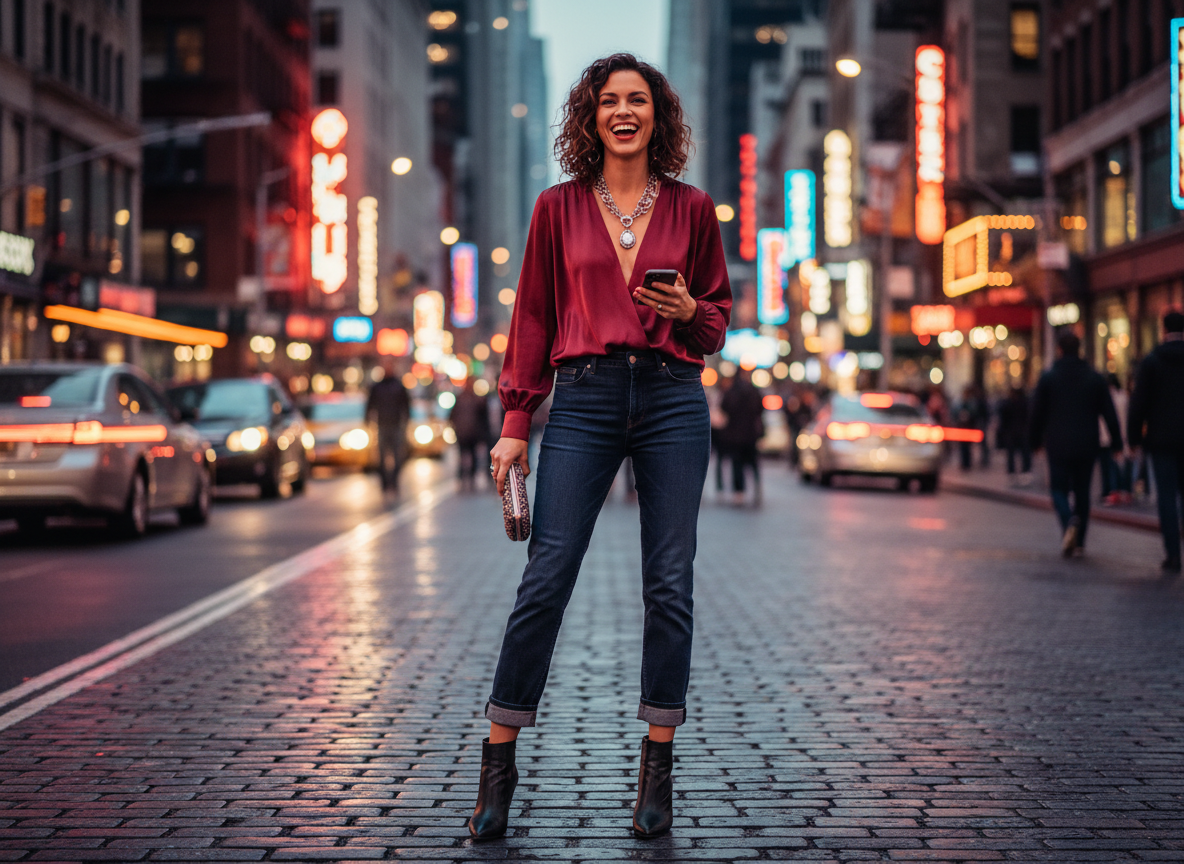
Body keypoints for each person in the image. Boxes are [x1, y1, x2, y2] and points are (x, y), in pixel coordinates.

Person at [471, 54, 731, 841]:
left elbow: (716, 325)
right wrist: (516, 422)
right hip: (580, 400)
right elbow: (534, 321)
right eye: (609, 101)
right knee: (546, 577)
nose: (624, 111)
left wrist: (688, 307)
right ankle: (497, 765)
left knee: (669, 583)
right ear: (590, 117)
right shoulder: (556, 208)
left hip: (672, 397)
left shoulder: (693, 209)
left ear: (659, 116)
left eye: (638, 100)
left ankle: (657, 768)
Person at [1029, 331, 1122, 557]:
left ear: (1060, 349)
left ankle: (1068, 520)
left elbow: (1036, 413)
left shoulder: (1049, 377)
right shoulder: (1094, 377)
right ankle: (1079, 541)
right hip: (1087, 443)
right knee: (1082, 491)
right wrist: (1117, 443)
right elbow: (1109, 413)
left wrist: (1034, 441)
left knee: (1059, 488)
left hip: (1058, 443)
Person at [1128, 310, 1184, 574]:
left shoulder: (1152, 362)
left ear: (1163, 330)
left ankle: (1173, 555)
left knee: (1166, 496)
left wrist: (1134, 438)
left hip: (1161, 440)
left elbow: (1138, 403)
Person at [720, 369, 764, 504]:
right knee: (753, 463)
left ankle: (739, 492)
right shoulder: (753, 391)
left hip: (735, 435)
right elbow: (760, 409)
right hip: (751, 434)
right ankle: (757, 487)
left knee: (737, 464)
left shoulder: (732, 391)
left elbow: (724, 407)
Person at [365, 361, 410, 491]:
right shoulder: (377, 387)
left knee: (397, 457)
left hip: (396, 425)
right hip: (382, 425)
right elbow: (370, 404)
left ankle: (394, 481)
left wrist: (406, 421)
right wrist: (367, 419)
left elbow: (406, 405)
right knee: (381, 458)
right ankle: (385, 483)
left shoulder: (399, 386)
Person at [450, 377, 492, 491]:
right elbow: (453, 415)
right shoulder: (466, 398)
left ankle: (468, 477)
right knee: (464, 455)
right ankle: (464, 476)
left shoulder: (475, 399)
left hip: (471, 433)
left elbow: (482, 417)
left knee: (469, 455)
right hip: (465, 432)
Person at [996, 386, 1031, 478]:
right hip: (1018, 432)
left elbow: (1003, 418)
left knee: (1017, 452)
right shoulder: (1025, 403)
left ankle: (1018, 471)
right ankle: (1022, 470)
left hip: (1014, 432)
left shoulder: (1010, 403)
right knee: (1018, 453)